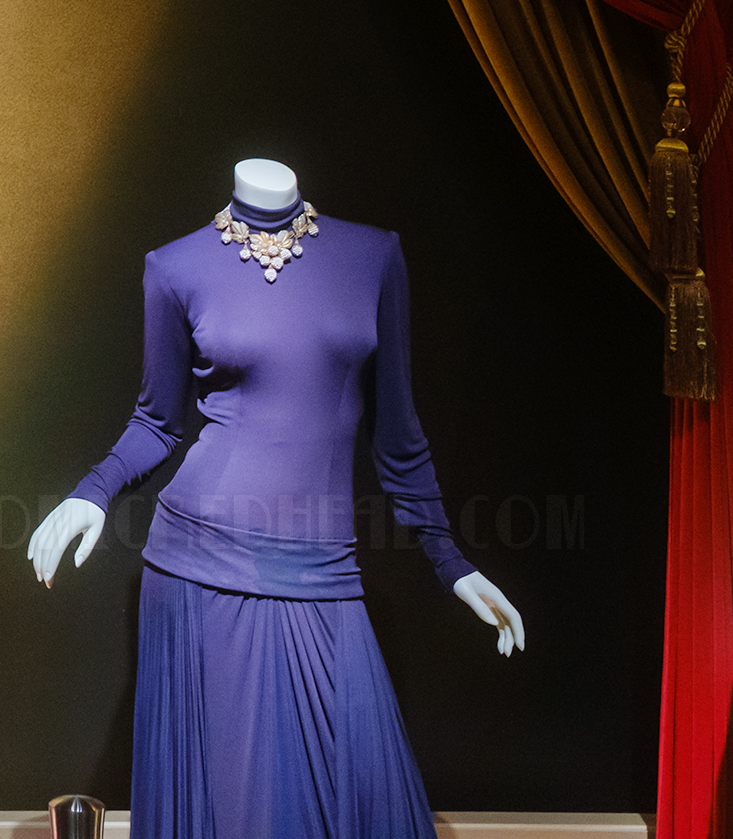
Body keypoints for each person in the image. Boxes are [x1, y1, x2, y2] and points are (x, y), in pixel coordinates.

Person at [28, 158, 522, 838]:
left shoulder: (374, 256)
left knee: (368, 802)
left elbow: (400, 439)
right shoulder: (174, 268)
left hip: (323, 569)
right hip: (197, 567)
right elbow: (158, 420)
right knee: (240, 813)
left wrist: (450, 562)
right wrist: (94, 492)